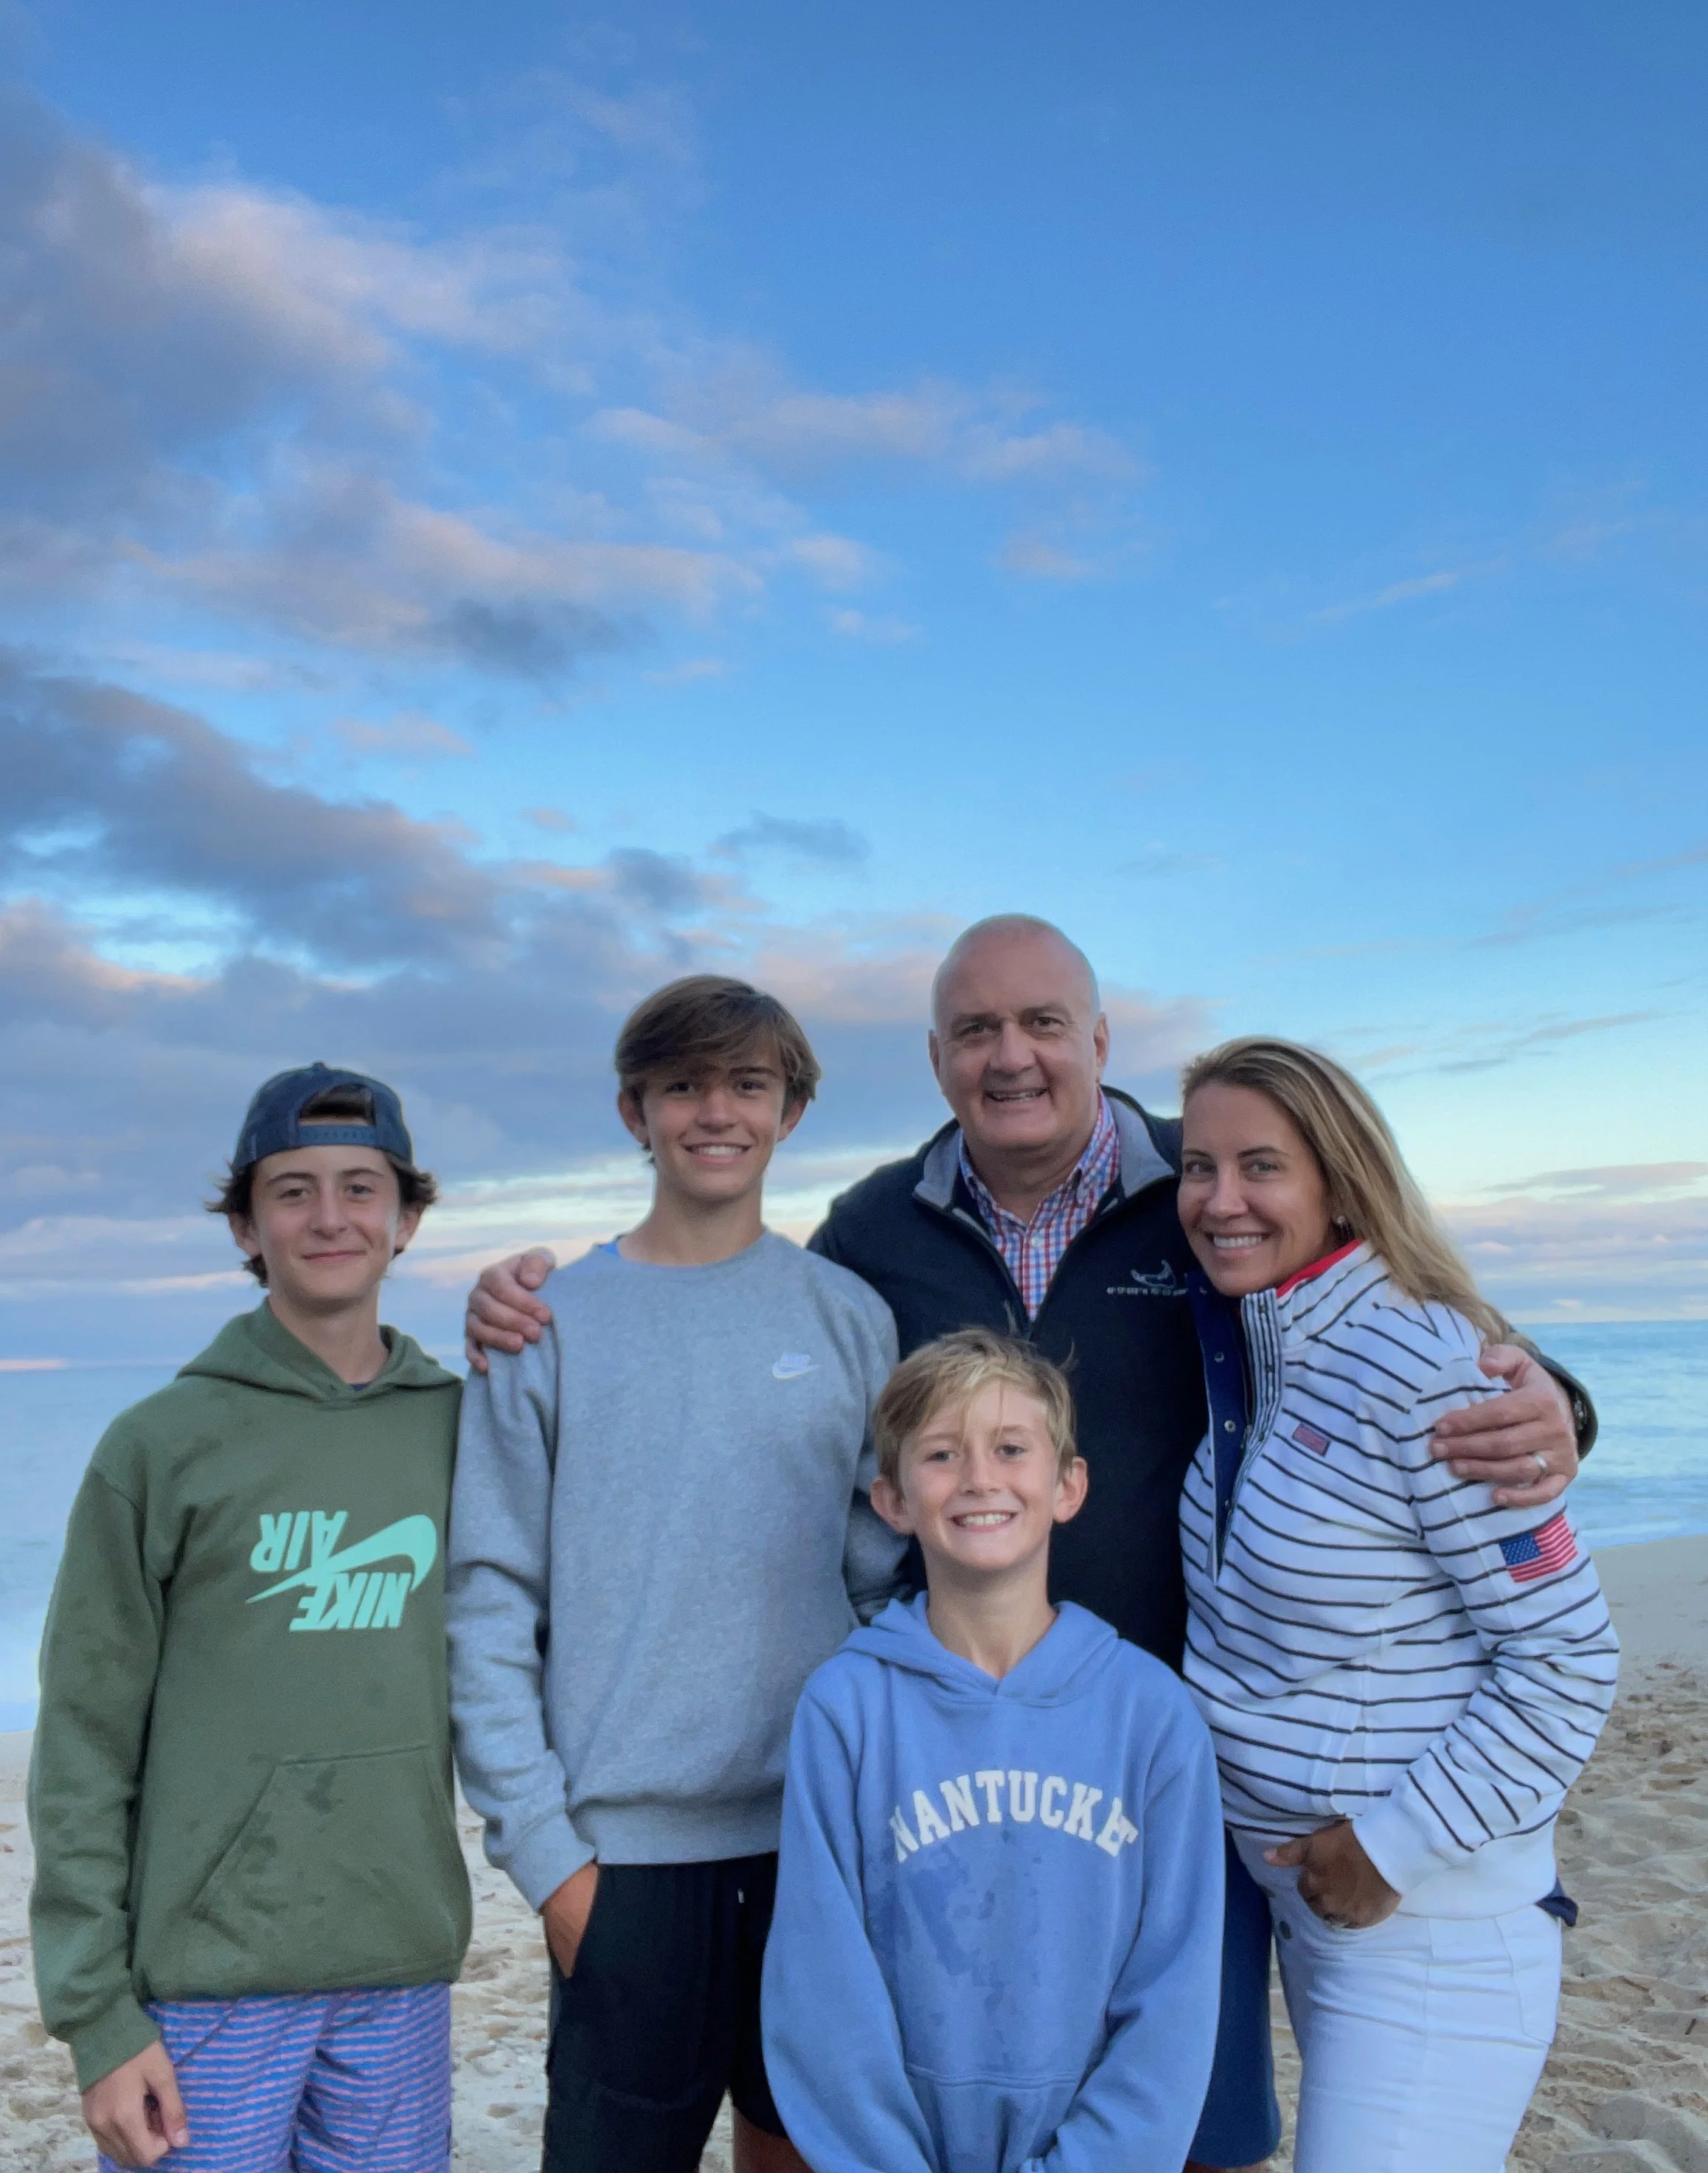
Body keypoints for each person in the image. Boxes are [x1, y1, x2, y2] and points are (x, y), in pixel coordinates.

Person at [464, 915, 1594, 2172]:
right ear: (939, 1057)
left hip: (1173, 1755)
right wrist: (530, 1302)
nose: (1013, 1056)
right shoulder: (871, 1236)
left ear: (1099, 1039)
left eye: (1044, 1022)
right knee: (913, 2092)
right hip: (941, 1760)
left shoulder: (1205, 1191)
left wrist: (1551, 1401)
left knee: (1185, 2110)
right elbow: (786, 1431)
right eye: (976, 1030)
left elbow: (1386, 1319)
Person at [445, 976, 904, 2173]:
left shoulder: (850, 1317)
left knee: (800, 2150)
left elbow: (883, 1584)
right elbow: (488, 1604)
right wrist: (548, 1858)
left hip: (815, 1846)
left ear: (790, 1109)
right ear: (632, 1109)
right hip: (619, 1869)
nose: (717, 1110)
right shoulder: (546, 1326)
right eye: (684, 1084)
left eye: (748, 1083)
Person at [1176, 1037, 1618, 2172]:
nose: (1221, 1200)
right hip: (1312, 1907)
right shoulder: (1264, 1353)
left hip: (1432, 1923)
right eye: (1198, 1167)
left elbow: (1567, 1659)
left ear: (1339, 1179)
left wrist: (1390, 1847)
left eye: (1261, 1166)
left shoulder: (1431, 1370)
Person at [29, 1064, 468, 2173]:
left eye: (362, 1188)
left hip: (400, 1965)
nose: (330, 1218)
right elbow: (84, 1735)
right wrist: (95, 2016)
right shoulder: (159, 1443)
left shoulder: (464, 1430)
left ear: (408, 1218)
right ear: (244, 1222)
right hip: (205, 1986)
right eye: (292, 1191)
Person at [761, 1328, 1226, 2173]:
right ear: (893, 1499)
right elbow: (823, 1994)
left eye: (1011, 1448)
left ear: (1067, 1485)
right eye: (941, 1454)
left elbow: (1175, 1993)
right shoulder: (848, 1709)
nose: (979, 1478)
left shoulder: (1150, 1715)